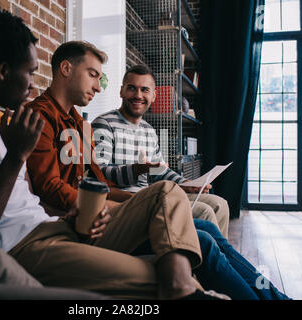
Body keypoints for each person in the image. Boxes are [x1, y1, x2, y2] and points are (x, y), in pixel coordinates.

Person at [0, 9, 222, 300]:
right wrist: (16, 157)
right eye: (29, 73)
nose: (32, 86)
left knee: (166, 194)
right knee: (168, 273)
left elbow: (37, 195)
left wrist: (76, 215)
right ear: (3, 71)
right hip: (19, 249)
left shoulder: (7, 122)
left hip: (54, 227)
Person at [25, 41, 290, 300]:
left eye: (144, 90)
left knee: (206, 228)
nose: (97, 86)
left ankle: (274, 296)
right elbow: (51, 188)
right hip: (86, 220)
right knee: (202, 235)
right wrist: (128, 200)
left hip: (109, 208)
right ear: (66, 69)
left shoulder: (85, 124)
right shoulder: (46, 117)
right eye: (93, 75)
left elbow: (104, 180)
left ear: (153, 96)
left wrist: (172, 188)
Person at [92, 64, 229, 238]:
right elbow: (99, 173)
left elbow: (159, 171)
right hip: (128, 201)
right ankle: (208, 261)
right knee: (204, 211)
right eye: (131, 88)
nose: (138, 95)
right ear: (121, 91)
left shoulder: (149, 130)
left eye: (144, 90)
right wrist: (137, 170)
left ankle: (215, 260)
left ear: (154, 95)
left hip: (151, 195)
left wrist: (186, 183)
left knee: (219, 204)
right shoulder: (104, 124)